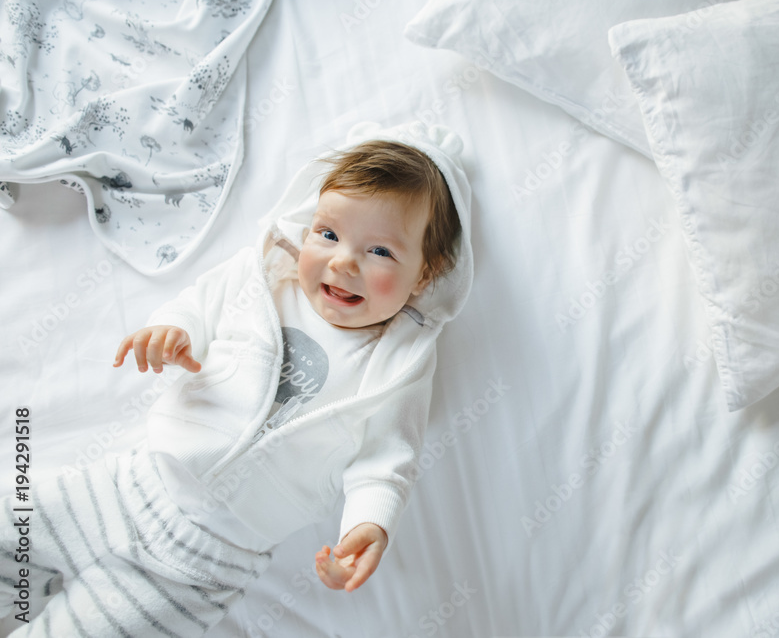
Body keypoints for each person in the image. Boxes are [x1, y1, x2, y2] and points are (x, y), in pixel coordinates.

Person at [0, 121, 473, 636]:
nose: (343, 261)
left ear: (425, 275)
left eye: (379, 251)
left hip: (202, 568)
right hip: (128, 486)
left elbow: (387, 459)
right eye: (329, 234)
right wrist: (170, 332)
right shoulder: (265, 279)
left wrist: (369, 524)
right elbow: (198, 307)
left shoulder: (397, 364)